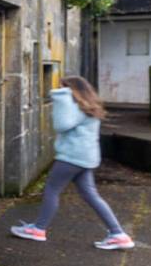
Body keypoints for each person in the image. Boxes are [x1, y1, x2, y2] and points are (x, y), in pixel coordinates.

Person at [10, 76, 134, 250]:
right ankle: (118, 234)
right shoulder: (89, 106)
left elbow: (61, 125)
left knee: (52, 190)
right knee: (91, 196)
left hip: (72, 157)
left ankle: (38, 229)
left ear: (72, 89)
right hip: (86, 158)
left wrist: (60, 96)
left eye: (64, 88)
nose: (62, 91)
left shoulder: (75, 106)